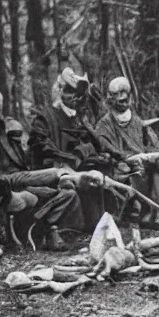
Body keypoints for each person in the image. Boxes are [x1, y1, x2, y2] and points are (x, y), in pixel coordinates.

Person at [0, 86, 75, 250]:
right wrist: (53, 174)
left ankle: (45, 231)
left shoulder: (7, 129)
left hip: (19, 183)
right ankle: (24, 234)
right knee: (51, 179)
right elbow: (2, 177)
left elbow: (24, 162)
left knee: (68, 192)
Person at [28, 68, 114, 232]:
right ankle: (68, 229)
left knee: (99, 169)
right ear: (59, 90)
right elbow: (41, 147)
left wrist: (84, 125)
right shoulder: (44, 117)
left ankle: (97, 224)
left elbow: (96, 145)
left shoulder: (76, 118)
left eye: (77, 94)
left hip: (74, 168)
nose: (74, 98)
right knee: (72, 185)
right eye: (69, 92)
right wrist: (69, 158)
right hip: (51, 171)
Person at [94, 77, 159, 219]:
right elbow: (105, 146)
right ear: (111, 100)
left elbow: (147, 144)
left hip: (142, 157)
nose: (124, 103)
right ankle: (144, 213)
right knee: (138, 171)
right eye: (120, 100)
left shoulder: (135, 119)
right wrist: (127, 157)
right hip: (120, 163)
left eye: (126, 99)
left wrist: (152, 153)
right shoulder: (105, 123)